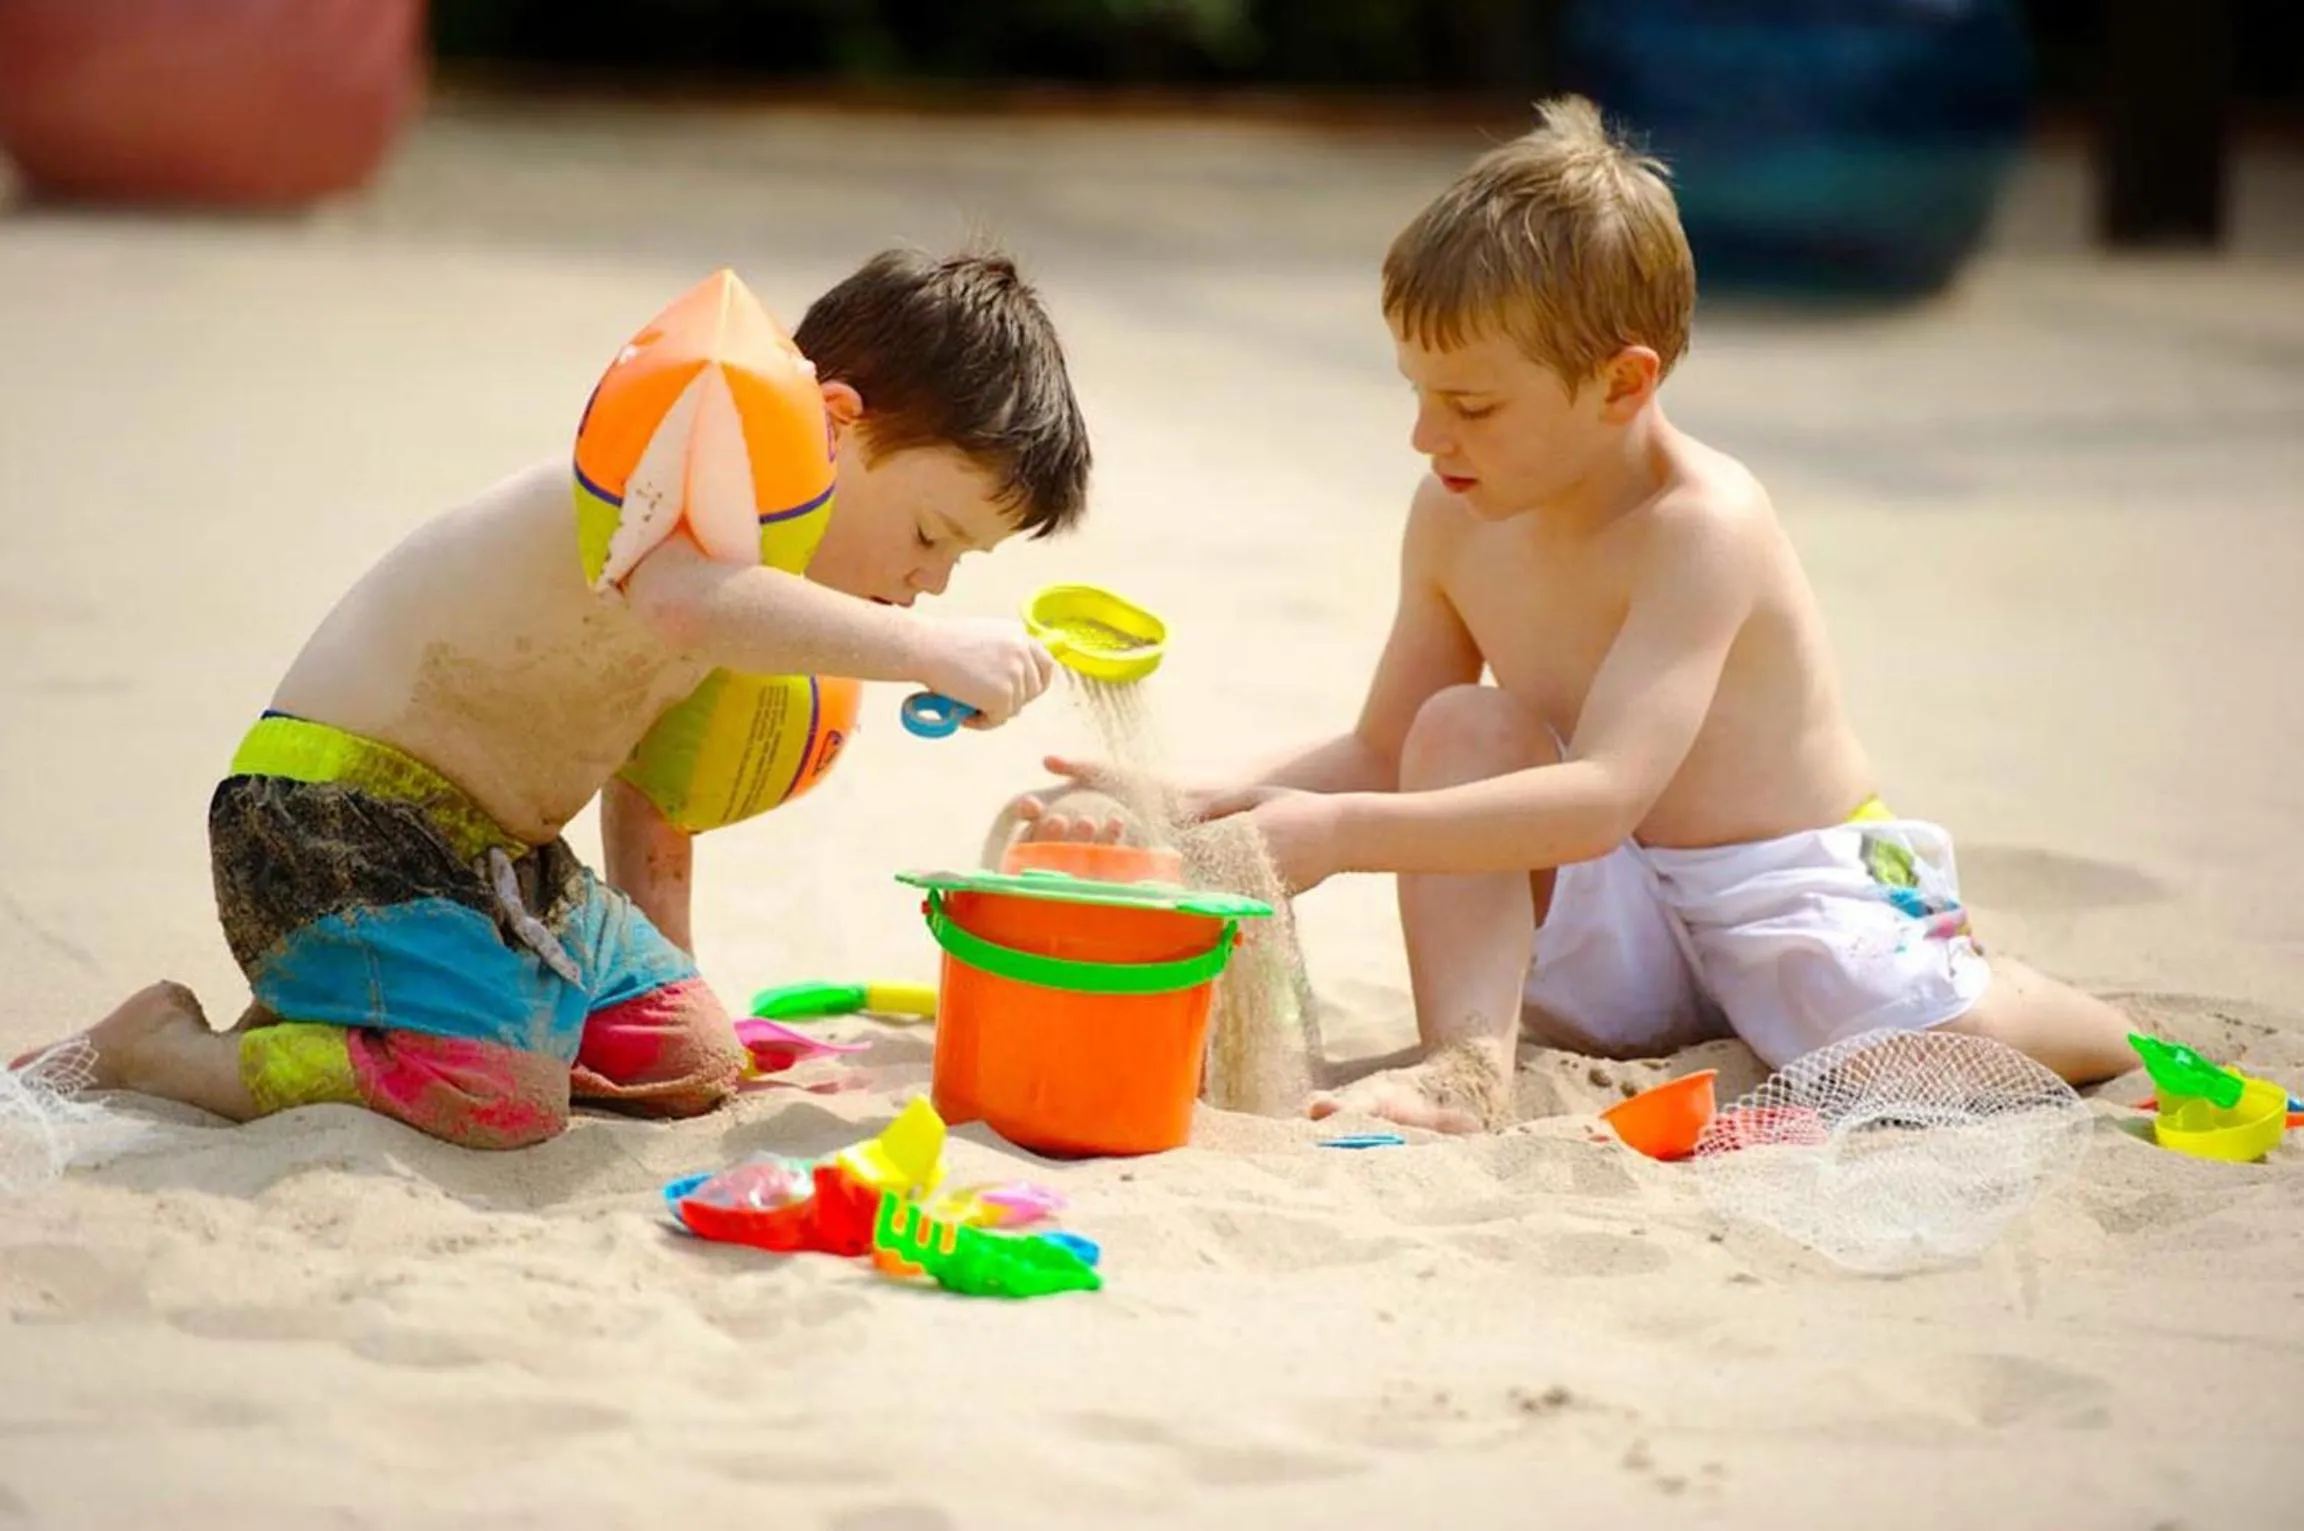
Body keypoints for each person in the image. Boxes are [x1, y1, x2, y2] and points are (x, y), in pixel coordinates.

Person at [1007, 98, 2131, 1133]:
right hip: (1615, 916)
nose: (1427, 437)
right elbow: (1385, 749)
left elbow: (1603, 793)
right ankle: (1467, 1068)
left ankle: (2019, 987)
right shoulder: (1454, 514)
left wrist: (1337, 836)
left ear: (1622, 384)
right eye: (1417, 392)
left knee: (1933, 1059)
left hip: (1783, 890)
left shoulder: (1703, 523)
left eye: (1472, 404)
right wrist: (1190, 801)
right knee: (1458, 725)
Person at [16, 247, 1092, 1149]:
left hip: (501, 865)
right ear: (840, 423)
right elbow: (684, 605)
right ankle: (165, 1048)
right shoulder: (702, 464)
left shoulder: (751, 592)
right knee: (504, 1093)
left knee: (691, 1056)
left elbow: (651, 787)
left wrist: (685, 979)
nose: (931, 580)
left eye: (959, 564)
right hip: (326, 823)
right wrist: (928, 649)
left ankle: (382, 1018)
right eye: (930, 534)